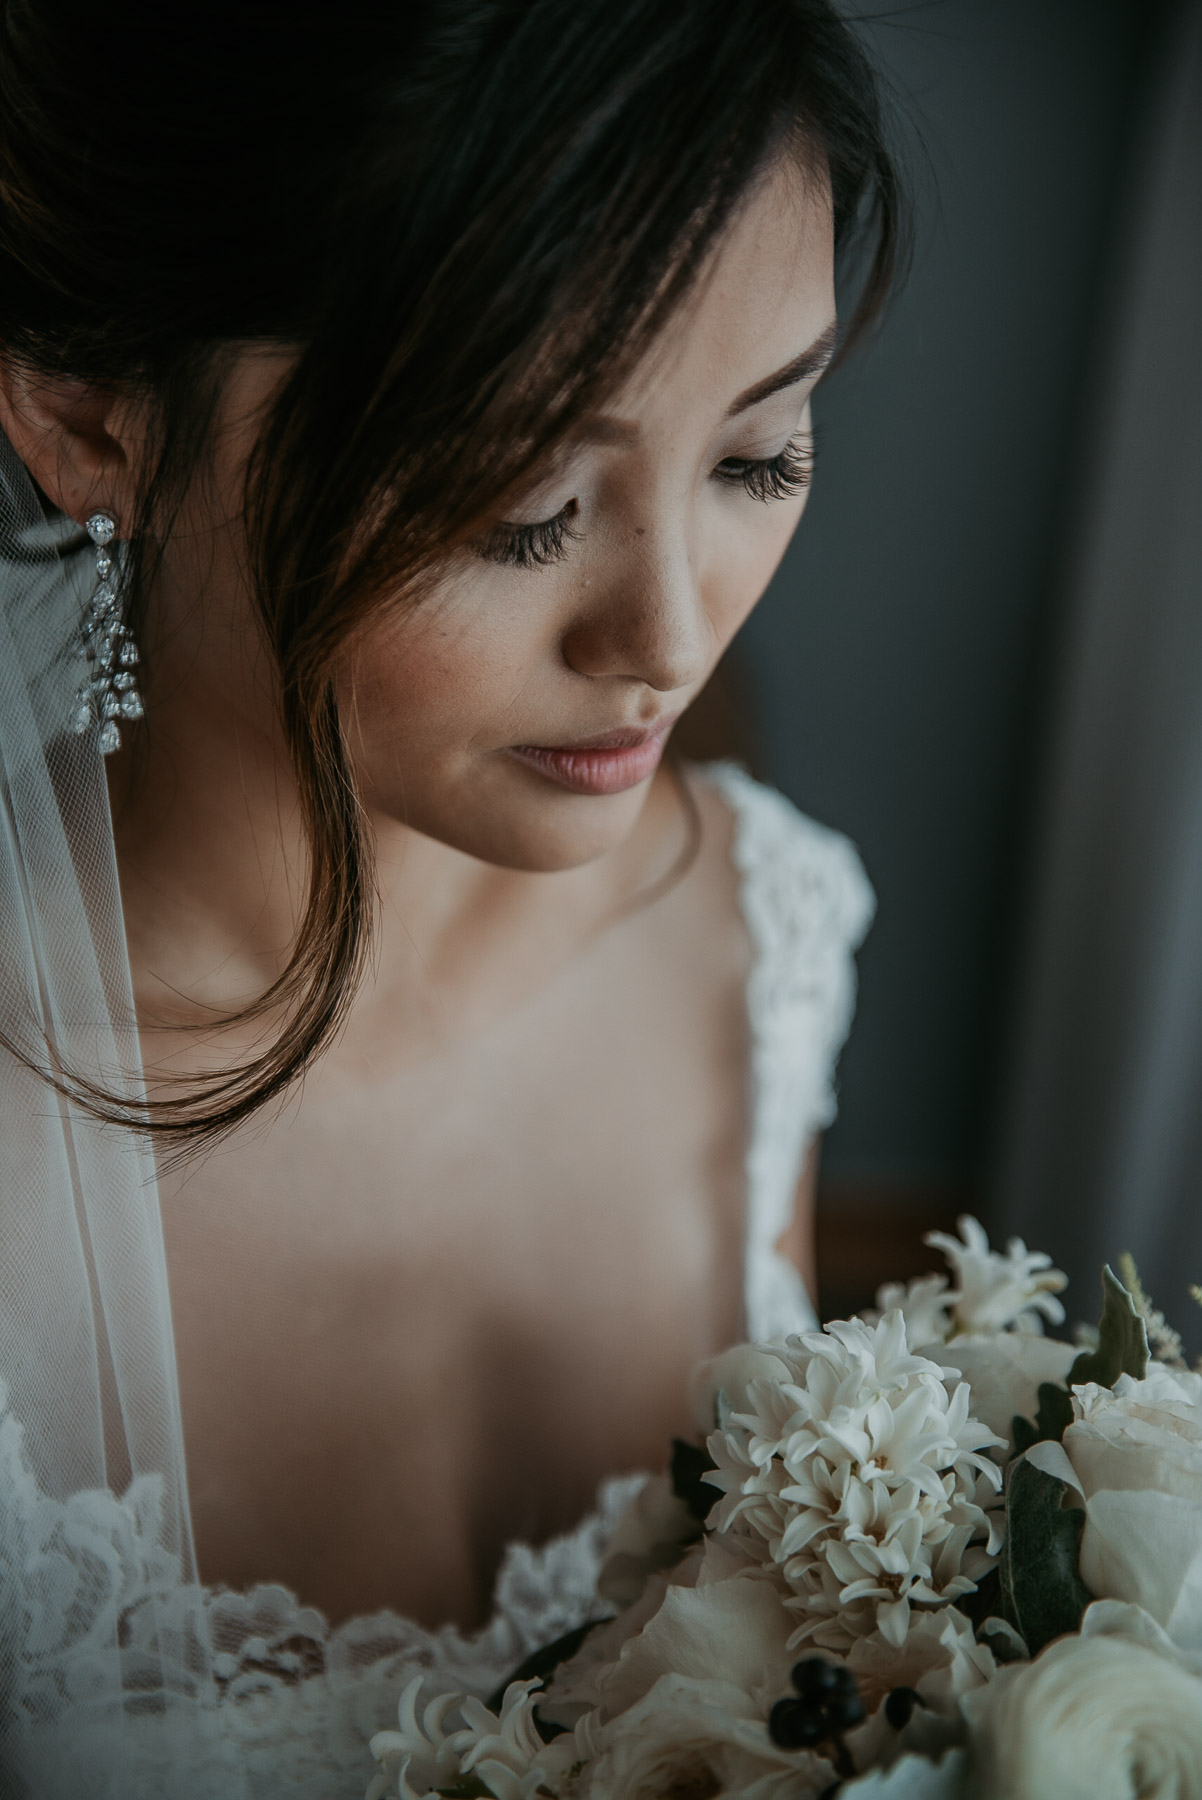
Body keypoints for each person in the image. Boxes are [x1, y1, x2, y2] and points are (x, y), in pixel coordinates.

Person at [0, 2, 903, 1793]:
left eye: (757, 457)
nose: (667, 639)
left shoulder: (755, 942)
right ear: (88, 423)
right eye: (520, 503)